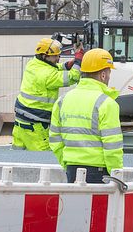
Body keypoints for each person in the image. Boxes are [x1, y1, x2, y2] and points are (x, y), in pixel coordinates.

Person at [49, 48, 123, 184]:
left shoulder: (62, 101)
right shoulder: (106, 103)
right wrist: (116, 174)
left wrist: (67, 162)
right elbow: (112, 146)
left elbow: (54, 139)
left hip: (71, 169)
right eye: (109, 72)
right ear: (103, 75)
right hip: (99, 172)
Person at [12, 37, 83, 151]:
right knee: (43, 160)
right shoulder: (47, 76)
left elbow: (53, 68)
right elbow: (73, 77)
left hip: (21, 123)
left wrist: (68, 65)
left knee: (17, 158)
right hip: (36, 126)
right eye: (55, 56)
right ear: (45, 56)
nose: (58, 59)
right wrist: (78, 59)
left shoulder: (34, 64)